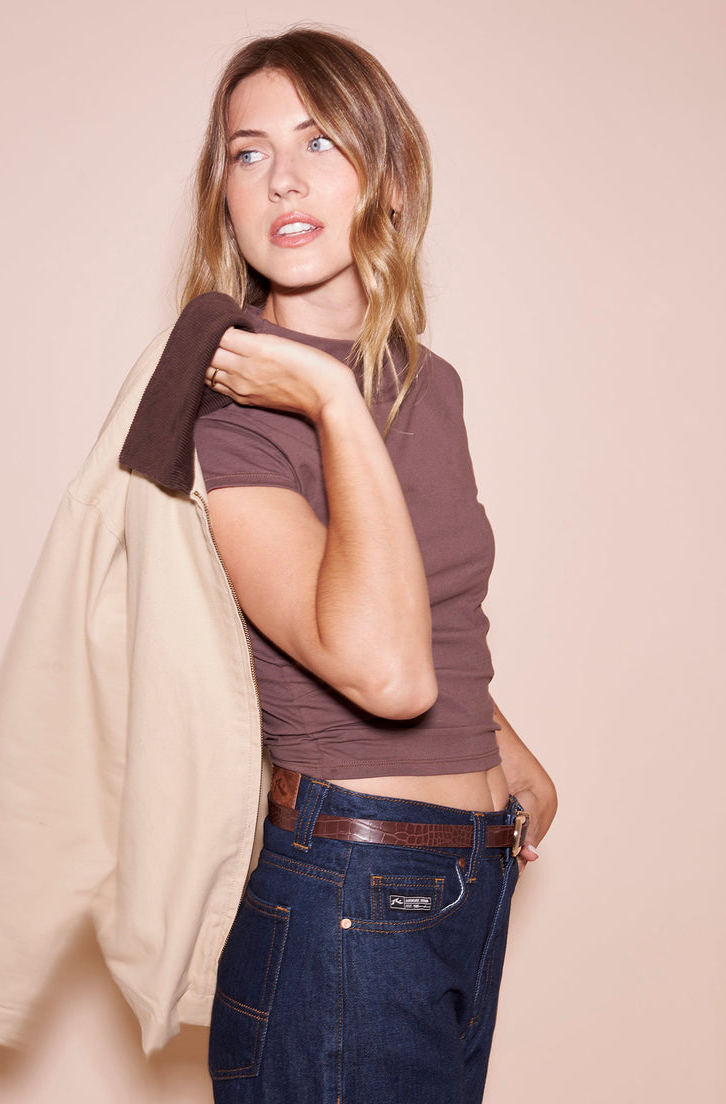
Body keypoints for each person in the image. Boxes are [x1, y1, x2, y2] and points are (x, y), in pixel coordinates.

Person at [184, 27, 558, 1104]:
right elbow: (379, 671)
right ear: (224, 197)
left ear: (386, 176)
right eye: (248, 152)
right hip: (349, 884)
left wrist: (499, 750)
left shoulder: (426, 382)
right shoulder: (225, 411)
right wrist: (329, 399)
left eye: (319, 141)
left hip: (467, 871)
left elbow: (417, 609)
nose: (282, 178)